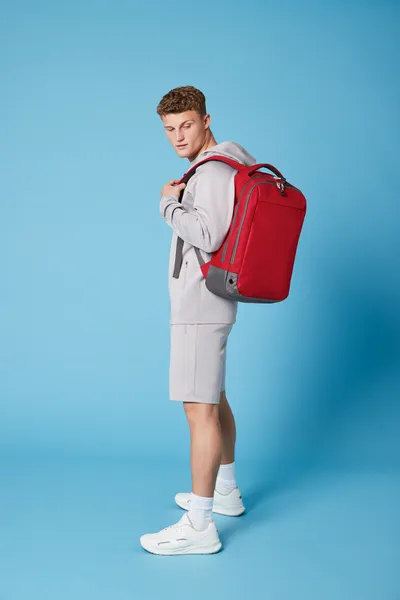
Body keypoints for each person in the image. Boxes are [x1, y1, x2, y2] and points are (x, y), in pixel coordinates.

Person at [139, 85, 257, 555]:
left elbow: (207, 234)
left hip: (199, 305)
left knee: (198, 407)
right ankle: (225, 491)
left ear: (207, 120)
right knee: (214, 396)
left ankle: (200, 525)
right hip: (211, 301)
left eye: (186, 125)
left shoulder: (210, 173)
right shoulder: (228, 163)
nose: (178, 136)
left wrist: (168, 204)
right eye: (169, 129)